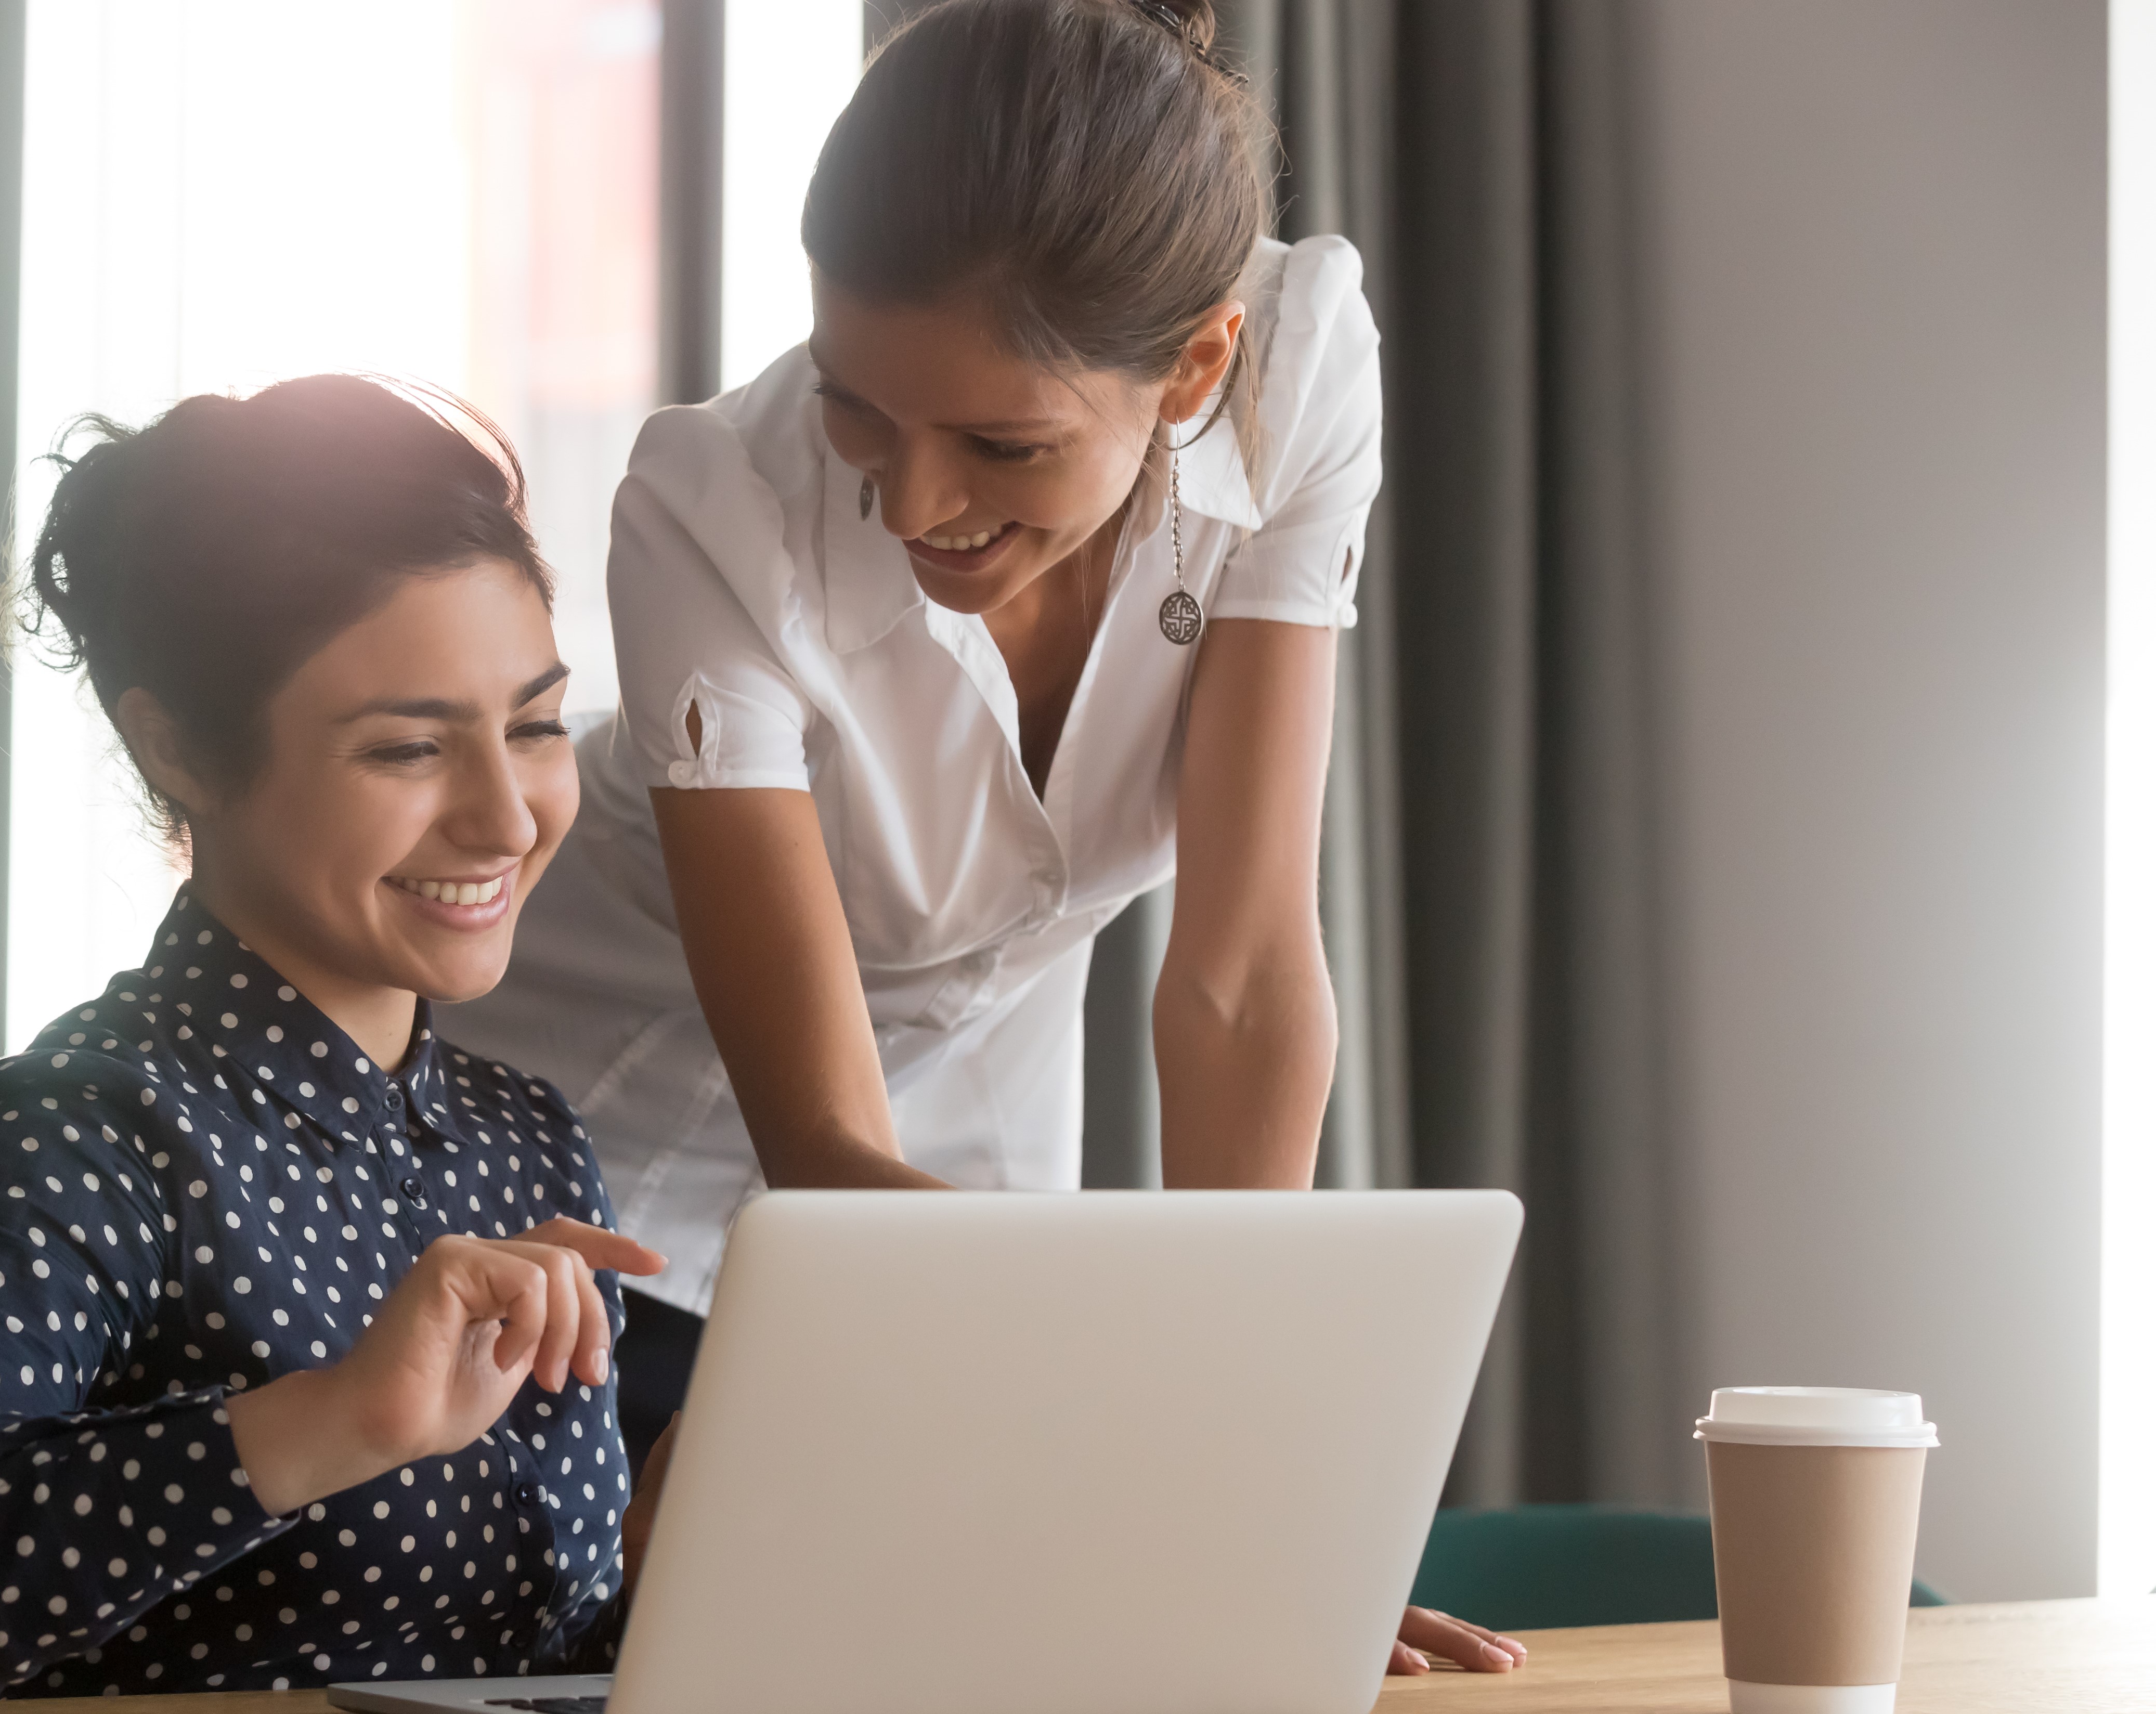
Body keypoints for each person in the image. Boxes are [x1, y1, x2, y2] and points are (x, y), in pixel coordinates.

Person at [440, 0, 1525, 1677]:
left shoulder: (1294, 373)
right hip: (599, 1196)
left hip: (957, 1194)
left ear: (1194, 367)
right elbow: (810, 1136)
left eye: (1002, 446)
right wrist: (1121, 1461)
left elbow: (1237, 977)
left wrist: (1257, 1503)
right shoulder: (709, 509)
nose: (911, 501)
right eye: (856, 408)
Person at [0, 375, 674, 1706]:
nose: (507, 817)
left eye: (530, 725)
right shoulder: (80, 1131)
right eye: (407, 749)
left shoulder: (524, 1142)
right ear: (176, 748)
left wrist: (676, 1560)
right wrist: (331, 1422)